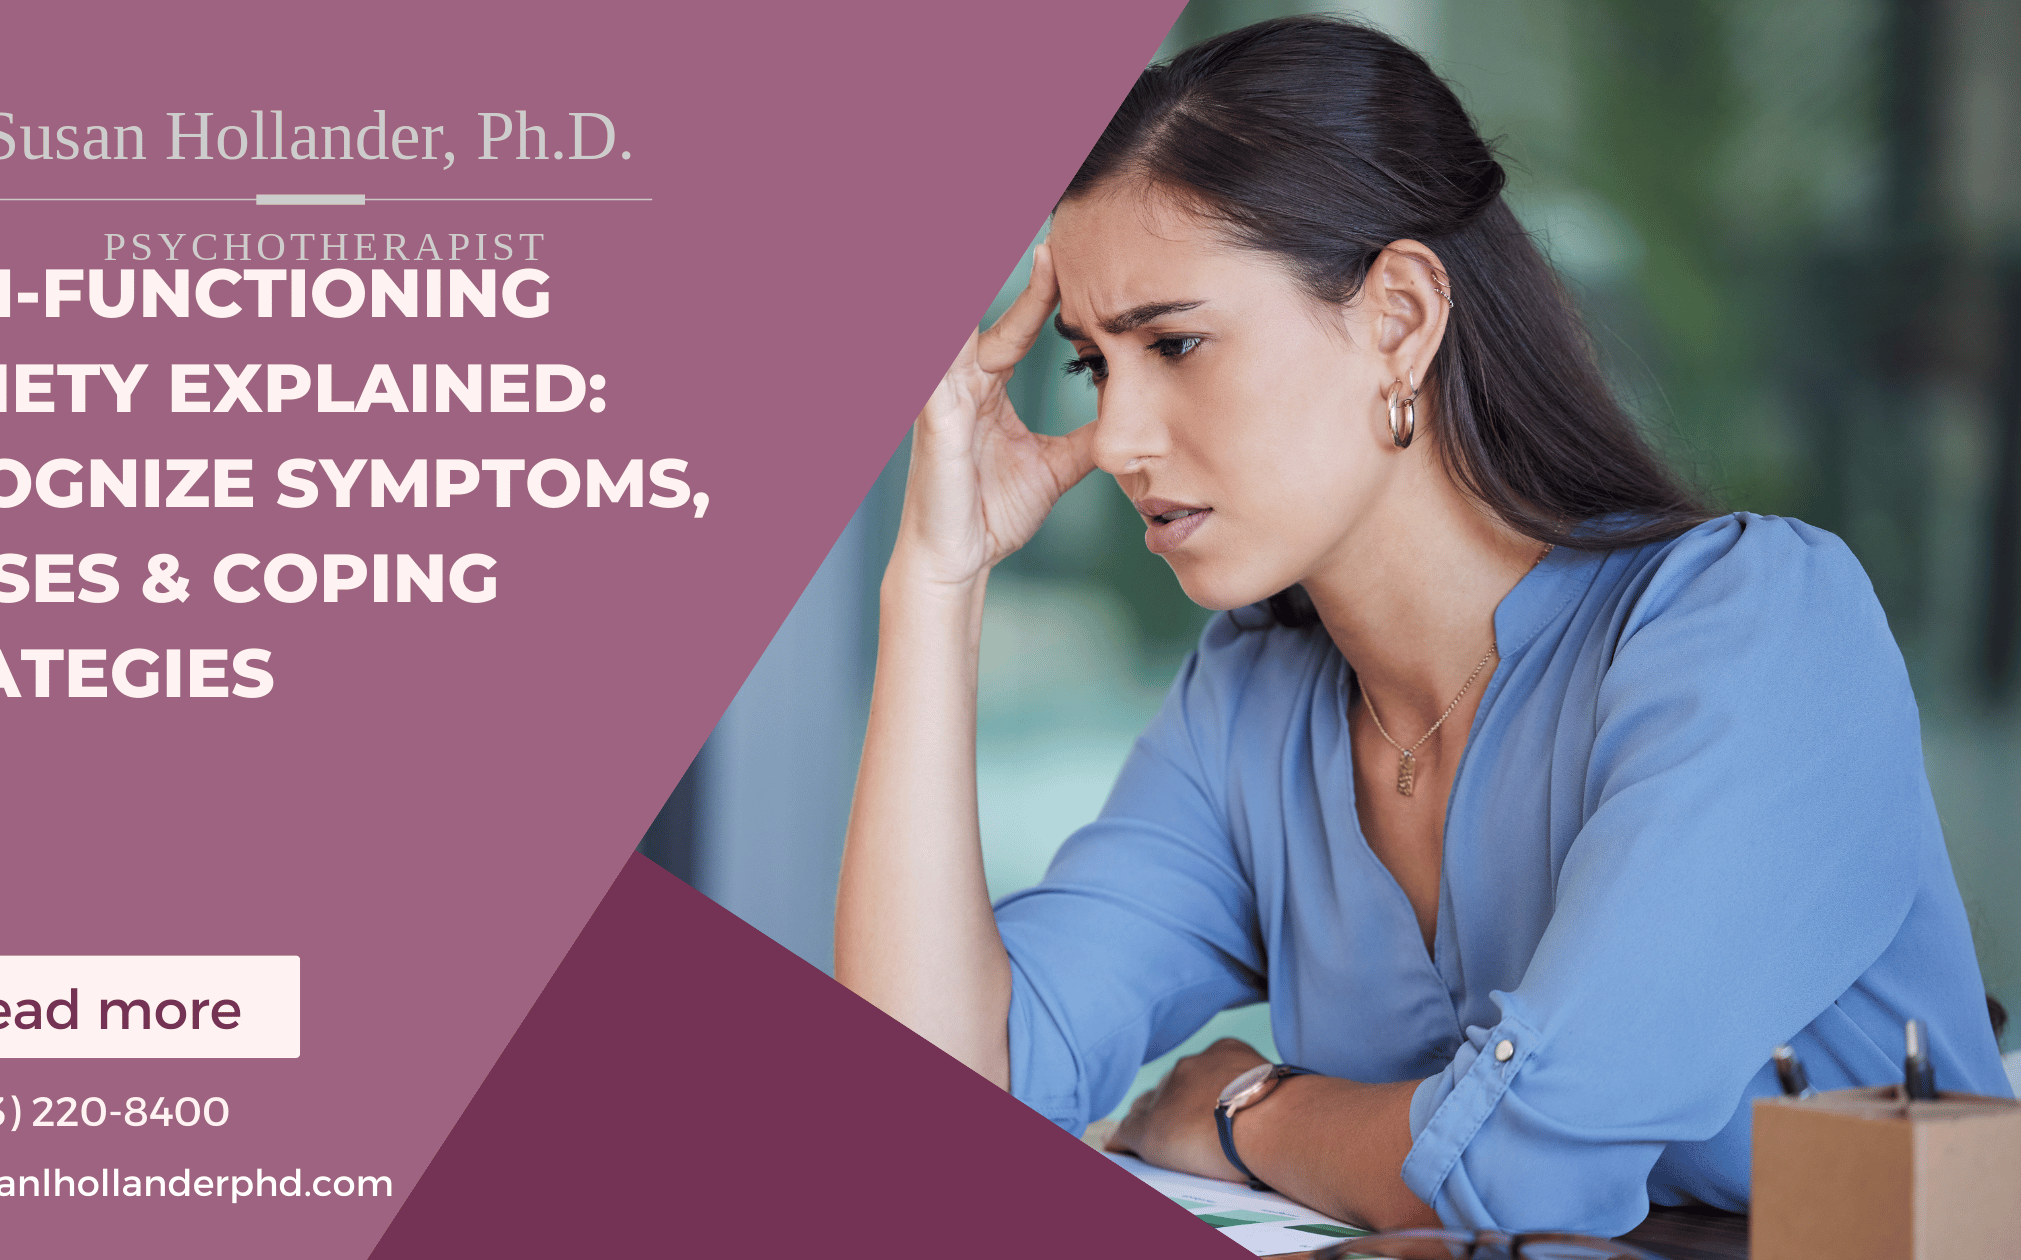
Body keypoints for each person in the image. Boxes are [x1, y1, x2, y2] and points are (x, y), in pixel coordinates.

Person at [833, 14, 2010, 1239]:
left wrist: (1248, 1108)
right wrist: (933, 580)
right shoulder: (1251, 711)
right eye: (1092, 366)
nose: (1120, 436)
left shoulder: (1752, 634)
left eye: (1174, 344)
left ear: (1397, 316)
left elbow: (1525, 1168)